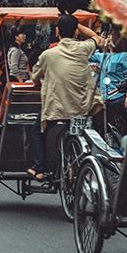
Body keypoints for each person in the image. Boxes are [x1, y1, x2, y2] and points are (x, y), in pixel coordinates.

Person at [28, 15, 106, 180]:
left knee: (37, 129)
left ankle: (40, 168)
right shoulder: (84, 48)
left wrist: (39, 83)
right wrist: (77, 25)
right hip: (82, 107)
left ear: (57, 32)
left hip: (58, 109)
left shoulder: (48, 55)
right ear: (76, 32)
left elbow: (35, 77)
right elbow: (96, 38)